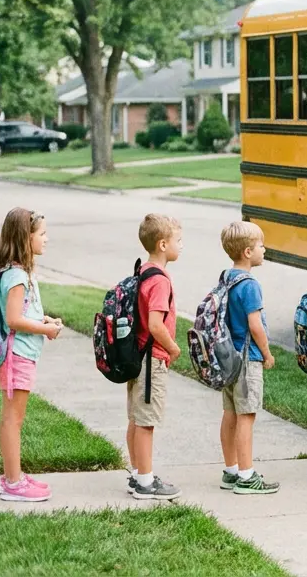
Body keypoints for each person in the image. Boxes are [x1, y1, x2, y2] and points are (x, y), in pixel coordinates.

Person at [0, 208, 64, 502]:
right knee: (12, 419)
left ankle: (15, 476)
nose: (46, 239)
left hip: (20, 355)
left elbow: (24, 311)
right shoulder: (17, 276)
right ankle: (12, 483)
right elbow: (13, 320)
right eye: (42, 234)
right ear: (26, 237)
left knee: (13, 417)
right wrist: (44, 330)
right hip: (16, 356)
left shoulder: (17, 271)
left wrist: (43, 319)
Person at [218, 221, 279, 495]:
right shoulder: (250, 285)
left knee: (230, 414)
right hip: (247, 359)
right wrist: (267, 354)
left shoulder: (226, 278)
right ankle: (246, 476)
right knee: (247, 417)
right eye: (261, 245)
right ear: (246, 251)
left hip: (229, 358)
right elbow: (255, 325)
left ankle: (231, 470)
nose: (264, 249)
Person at [128, 213, 183, 501]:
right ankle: (146, 482)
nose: (181, 246)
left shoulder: (143, 270)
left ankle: (138, 475)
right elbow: (155, 324)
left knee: (136, 419)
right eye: (178, 240)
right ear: (163, 244)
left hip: (137, 355)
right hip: (153, 359)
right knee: (146, 421)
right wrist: (172, 347)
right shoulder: (160, 281)